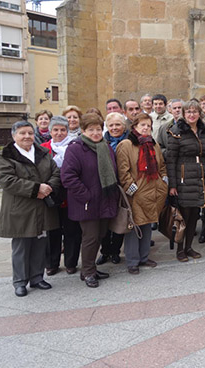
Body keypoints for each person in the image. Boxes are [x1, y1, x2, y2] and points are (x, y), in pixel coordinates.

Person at [0, 121, 61, 297]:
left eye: (30, 133)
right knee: (21, 247)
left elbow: (56, 173)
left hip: (42, 207)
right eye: (22, 133)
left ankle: (37, 277)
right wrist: (36, 189)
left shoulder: (43, 152)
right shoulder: (6, 155)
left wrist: (47, 187)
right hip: (20, 209)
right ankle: (20, 281)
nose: (27, 137)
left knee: (40, 244)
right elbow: (7, 180)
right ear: (14, 135)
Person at [61, 113, 119, 288]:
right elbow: (68, 177)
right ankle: (87, 272)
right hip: (86, 202)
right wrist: (86, 195)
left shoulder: (105, 147)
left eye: (98, 129)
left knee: (101, 235)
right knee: (90, 237)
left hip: (105, 200)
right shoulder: (75, 148)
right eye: (91, 130)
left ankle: (90, 268)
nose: (95, 133)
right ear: (83, 130)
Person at [116, 113, 168, 274]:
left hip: (153, 191)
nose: (145, 128)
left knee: (147, 225)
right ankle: (132, 261)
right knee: (134, 226)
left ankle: (144, 257)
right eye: (142, 125)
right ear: (135, 127)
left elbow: (162, 167)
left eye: (148, 125)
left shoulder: (154, 145)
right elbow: (123, 171)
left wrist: (163, 183)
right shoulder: (126, 145)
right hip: (137, 192)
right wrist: (132, 189)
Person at [167, 100, 205, 261]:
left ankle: (189, 247)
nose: (192, 115)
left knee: (194, 215)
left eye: (194, 112)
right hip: (184, 178)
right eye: (188, 112)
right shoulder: (176, 131)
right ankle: (180, 250)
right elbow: (171, 160)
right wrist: (172, 185)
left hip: (200, 177)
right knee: (184, 216)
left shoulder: (202, 130)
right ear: (183, 114)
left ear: (199, 113)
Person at [40, 116, 81, 276]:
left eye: (62, 130)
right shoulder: (43, 148)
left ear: (67, 131)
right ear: (50, 131)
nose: (59, 133)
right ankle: (51, 264)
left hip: (71, 195)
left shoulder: (75, 146)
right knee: (52, 231)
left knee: (72, 231)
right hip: (51, 194)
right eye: (55, 130)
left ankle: (71, 263)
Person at [96, 112, 129, 265]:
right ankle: (105, 251)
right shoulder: (100, 142)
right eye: (111, 125)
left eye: (118, 125)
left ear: (124, 126)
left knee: (120, 219)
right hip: (105, 186)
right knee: (105, 222)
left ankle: (115, 251)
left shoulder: (130, 140)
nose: (114, 128)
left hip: (123, 187)